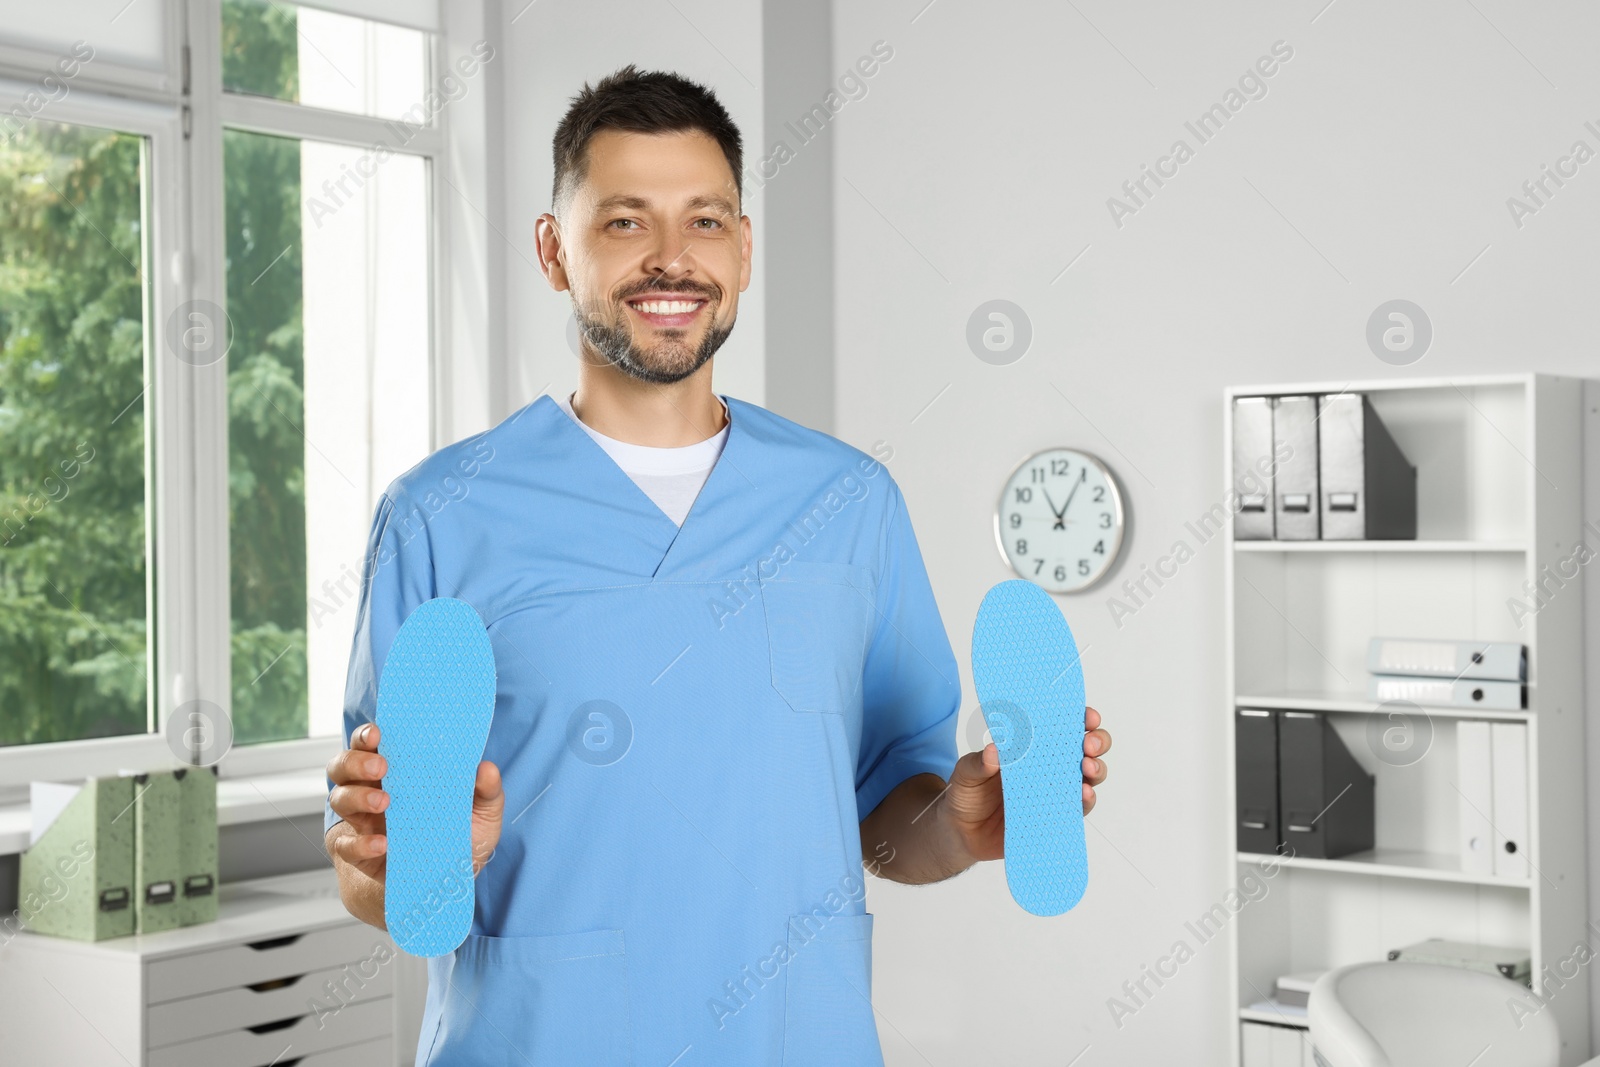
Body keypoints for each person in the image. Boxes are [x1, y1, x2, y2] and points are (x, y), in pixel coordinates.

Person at [323, 64, 1112, 1065]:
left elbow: (886, 823)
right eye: (622, 222)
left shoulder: (847, 502)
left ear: (742, 251)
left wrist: (961, 822)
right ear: (550, 251)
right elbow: (368, 866)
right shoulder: (439, 513)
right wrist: (410, 862)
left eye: (703, 221)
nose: (669, 258)